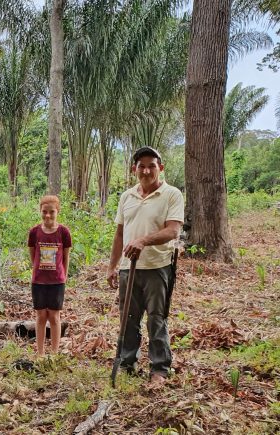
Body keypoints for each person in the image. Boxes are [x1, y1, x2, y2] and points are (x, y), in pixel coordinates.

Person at [107, 147, 183, 386]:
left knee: (156, 318)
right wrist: (112, 266)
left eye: (152, 166)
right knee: (128, 318)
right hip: (128, 269)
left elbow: (173, 230)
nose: (146, 170)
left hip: (157, 267)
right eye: (141, 166)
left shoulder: (171, 194)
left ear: (160, 168)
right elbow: (120, 234)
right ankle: (127, 363)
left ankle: (159, 369)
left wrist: (143, 241)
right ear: (134, 170)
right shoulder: (126, 197)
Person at [28, 195, 72, 357]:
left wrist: (63, 277)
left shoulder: (64, 232)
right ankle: (40, 354)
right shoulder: (34, 232)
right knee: (41, 316)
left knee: (54, 316)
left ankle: (54, 354)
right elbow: (33, 256)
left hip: (57, 281)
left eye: (51, 212)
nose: (47, 215)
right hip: (38, 281)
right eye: (44, 212)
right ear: (40, 211)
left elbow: (66, 257)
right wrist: (38, 271)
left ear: (57, 211)